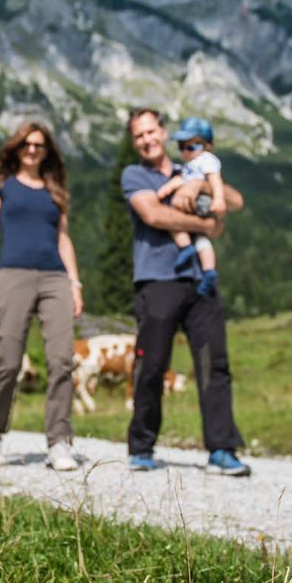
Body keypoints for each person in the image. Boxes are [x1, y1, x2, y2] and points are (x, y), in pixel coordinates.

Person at [120, 108, 250, 476]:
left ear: (163, 133)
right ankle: (141, 446)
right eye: (138, 135)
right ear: (135, 142)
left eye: (151, 132)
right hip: (156, 281)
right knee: (152, 365)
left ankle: (222, 449)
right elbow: (155, 216)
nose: (146, 140)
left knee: (215, 364)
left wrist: (200, 185)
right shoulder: (134, 175)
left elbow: (236, 201)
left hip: (200, 282)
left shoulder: (190, 167)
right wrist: (206, 225)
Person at [0, 121, 84, 471]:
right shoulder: (0, 186)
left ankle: (60, 442)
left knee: (62, 360)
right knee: (10, 361)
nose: (32, 150)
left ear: (47, 152)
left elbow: (64, 238)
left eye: (39, 145)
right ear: (16, 148)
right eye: (27, 144)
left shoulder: (54, 190)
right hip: (13, 276)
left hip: (55, 278)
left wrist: (75, 283)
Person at [155, 116, 224, 297]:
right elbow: (180, 179)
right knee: (201, 239)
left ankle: (185, 248)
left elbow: (215, 180)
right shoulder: (190, 165)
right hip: (196, 205)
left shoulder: (207, 160)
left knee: (171, 217)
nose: (185, 151)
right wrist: (166, 188)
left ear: (206, 145)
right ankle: (209, 271)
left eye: (191, 147)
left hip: (200, 202)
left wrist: (218, 199)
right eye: (181, 147)